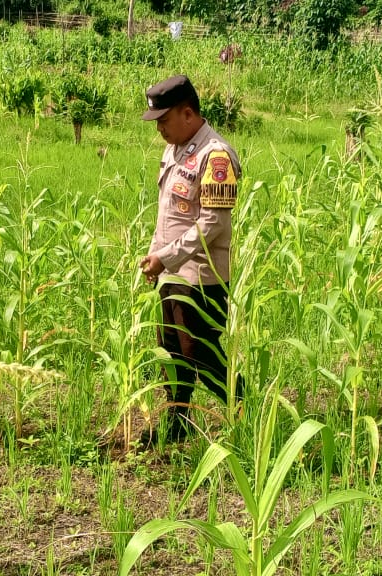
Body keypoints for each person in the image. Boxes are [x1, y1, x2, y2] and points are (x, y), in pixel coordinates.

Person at [138, 74, 243, 443]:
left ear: (188, 113)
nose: (160, 130)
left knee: (201, 354)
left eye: (164, 121)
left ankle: (243, 411)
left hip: (201, 276)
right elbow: (168, 213)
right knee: (172, 350)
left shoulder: (216, 157)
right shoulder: (175, 149)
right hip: (171, 271)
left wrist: (165, 258)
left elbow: (212, 224)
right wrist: (156, 255)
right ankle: (176, 425)